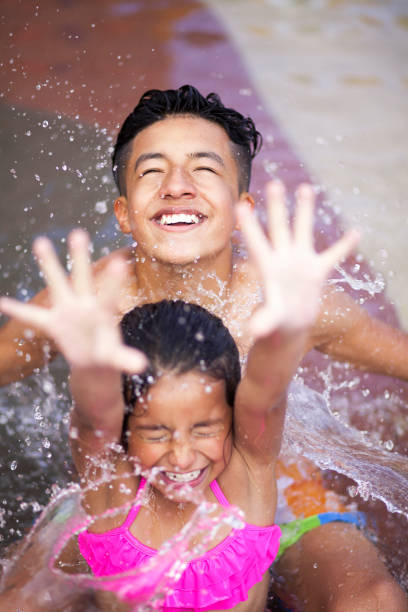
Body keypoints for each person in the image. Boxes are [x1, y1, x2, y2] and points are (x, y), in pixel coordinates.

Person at [0, 85, 407, 610]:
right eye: (151, 171)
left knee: (373, 601)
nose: (176, 187)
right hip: (128, 491)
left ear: (242, 209)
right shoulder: (90, 299)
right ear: (124, 213)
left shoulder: (285, 297)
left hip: (276, 488)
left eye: (204, 169)